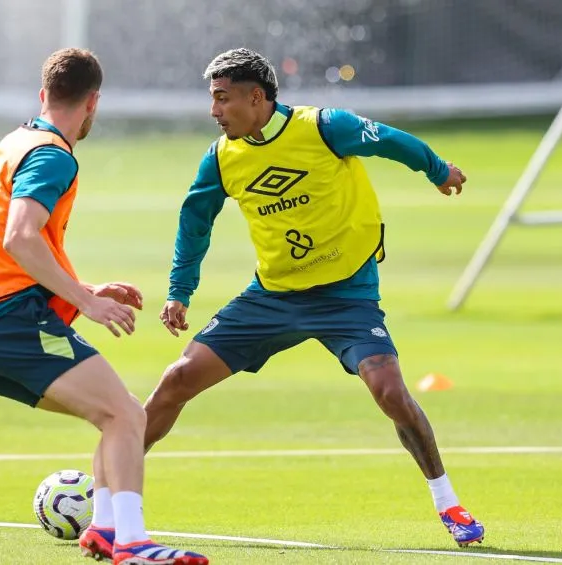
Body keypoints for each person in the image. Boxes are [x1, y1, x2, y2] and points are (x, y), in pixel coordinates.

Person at [141, 48, 485, 547]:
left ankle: (447, 501)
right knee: (175, 381)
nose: (213, 110)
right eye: (211, 99)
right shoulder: (221, 157)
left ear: (255, 97)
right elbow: (195, 222)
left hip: (347, 295)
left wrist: (437, 170)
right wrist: (179, 292)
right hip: (272, 297)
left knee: (390, 392)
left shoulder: (323, 127)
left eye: (222, 99)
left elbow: (389, 141)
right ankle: (109, 499)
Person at [0, 48, 207, 565]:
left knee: (119, 415)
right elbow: (19, 238)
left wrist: (83, 286)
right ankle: (133, 544)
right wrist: (84, 300)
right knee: (125, 416)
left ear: (43, 94)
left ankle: (105, 531)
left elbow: (6, 252)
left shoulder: (13, 143)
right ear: (94, 103)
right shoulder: (52, 154)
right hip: (11, 323)